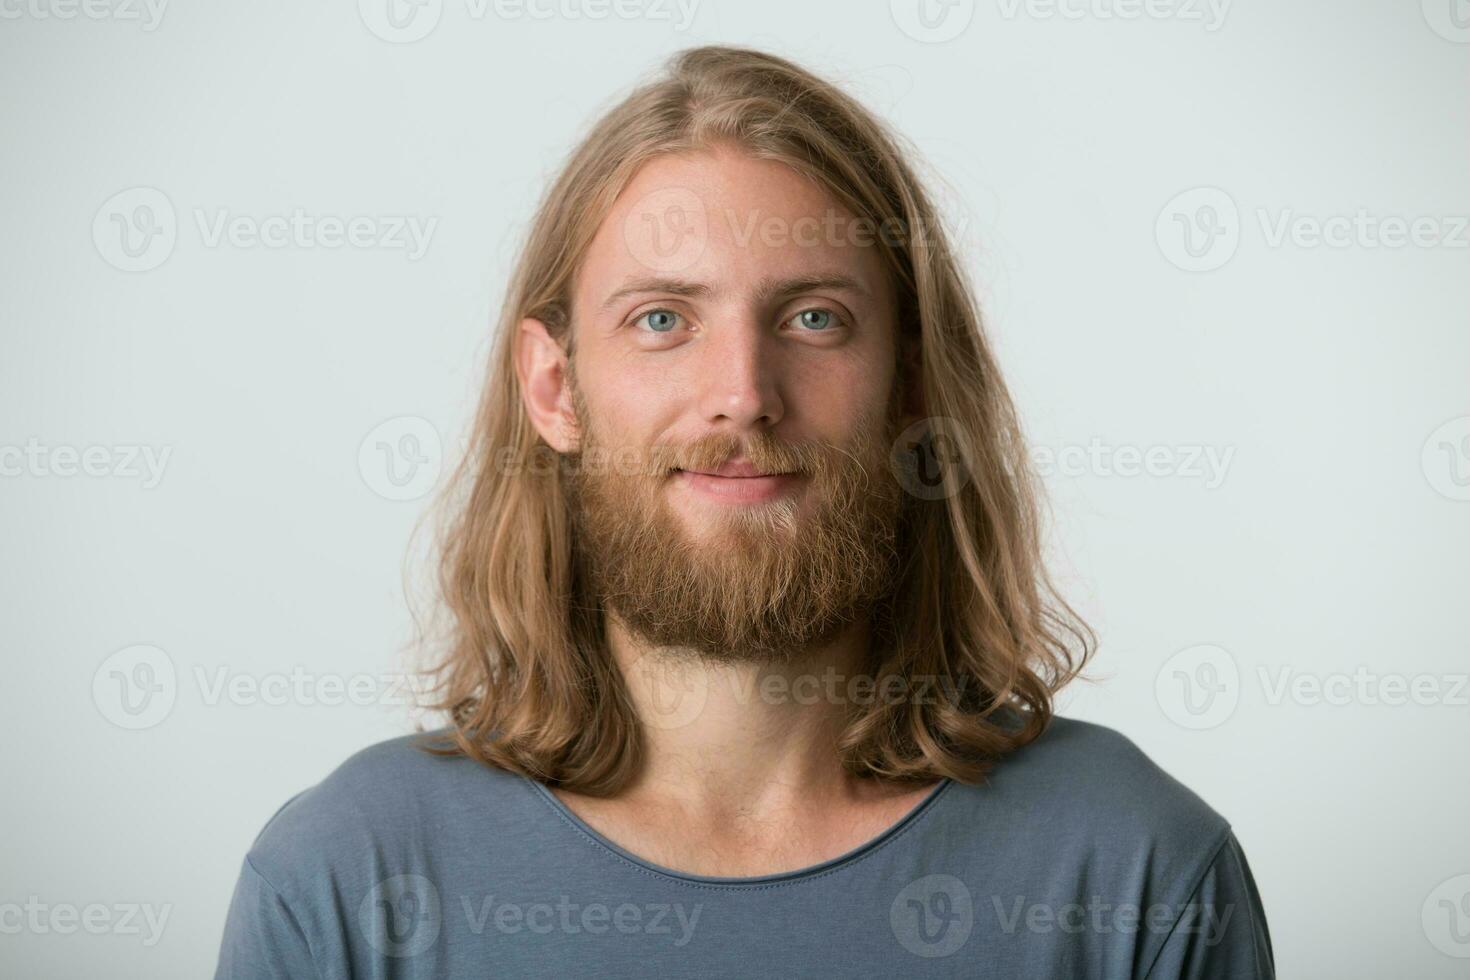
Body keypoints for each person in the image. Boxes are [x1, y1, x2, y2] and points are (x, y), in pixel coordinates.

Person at [215, 44, 1274, 978]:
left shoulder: (1136, 871)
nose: (743, 391)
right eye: (663, 317)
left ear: (910, 381)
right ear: (555, 389)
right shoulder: (346, 882)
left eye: (814, 316)